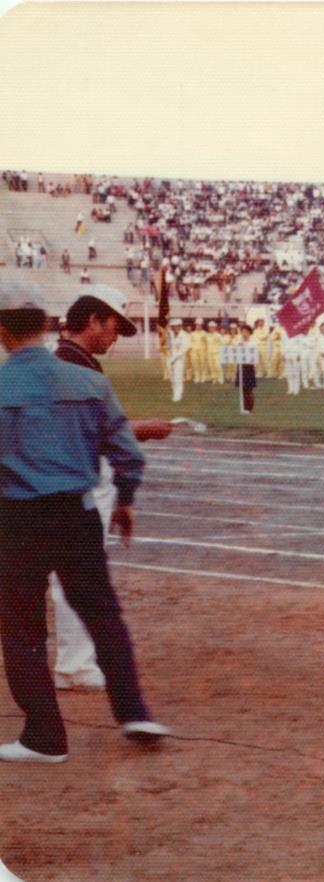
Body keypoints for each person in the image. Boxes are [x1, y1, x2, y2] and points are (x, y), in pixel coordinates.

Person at [0, 279, 169, 762]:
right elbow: (127, 455)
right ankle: (133, 710)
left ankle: (45, 737)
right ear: (47, 324)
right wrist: (127, 499)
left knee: (23, 629)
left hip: (17, 518)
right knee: (104, 617)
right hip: (76, 515)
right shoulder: (89, 383)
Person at [48, 286, 175, 692]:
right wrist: (140, 429)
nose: (115, 338)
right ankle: (75, 665)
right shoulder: (74, 365)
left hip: (64, 475)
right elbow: (94, 426)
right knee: (76, 571)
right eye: (113, 328)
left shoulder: (69, 360)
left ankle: (73, 661)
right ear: (92, 321)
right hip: (80, 477)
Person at [234, 324, 258, 412]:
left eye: (246, 331)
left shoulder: (253, 343)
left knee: (249, 388)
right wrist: (239, 346)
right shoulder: (238, 342)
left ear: (249, 333)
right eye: (242, 331)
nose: (244, 333)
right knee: (242, 388)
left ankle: (249, 407)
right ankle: (244, 406)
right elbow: (234, 353)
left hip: (249, 366)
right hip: (241, 366)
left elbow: (254, 355)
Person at [166, 317, 189, 402]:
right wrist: (170, 357)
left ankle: (178, 395)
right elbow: (169, 346)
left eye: (174, 326)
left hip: (179, 360)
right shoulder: (171, 335)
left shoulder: (184, 335)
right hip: (170, 359)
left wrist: (174, 357)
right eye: (172, 326)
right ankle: (174, 393)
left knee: (178, 378)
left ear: (179, 326)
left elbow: (184, 349)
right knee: (172, 379)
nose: (172, 328)